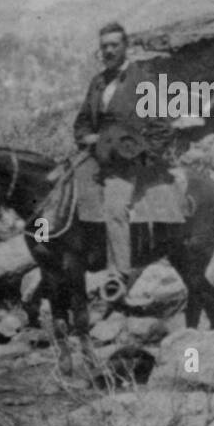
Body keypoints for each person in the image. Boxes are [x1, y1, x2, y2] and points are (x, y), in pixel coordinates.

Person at [71, 22, 173, 299]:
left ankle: (119, 274)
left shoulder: (143, 81)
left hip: (127, 161)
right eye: (104, 46)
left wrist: (142, 159)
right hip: (96, 156)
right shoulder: (98, 82)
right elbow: (81, 122)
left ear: (126, 46)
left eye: (114, 45)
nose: (109, 50)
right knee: (62, 190)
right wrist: (87, 139)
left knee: (114, 209)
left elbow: (162, 127)